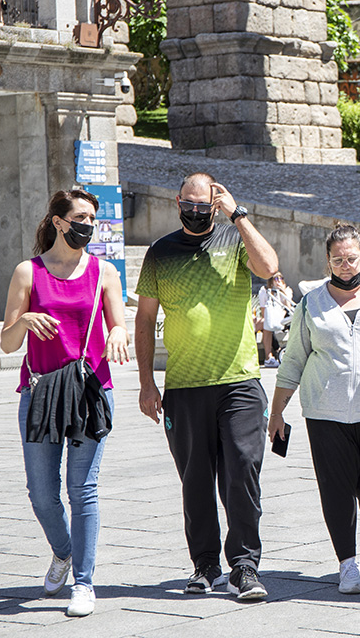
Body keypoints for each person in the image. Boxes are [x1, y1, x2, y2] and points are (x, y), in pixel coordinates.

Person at [134, 173, 279, 601]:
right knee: (194, 480)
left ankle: (245, 566)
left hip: (238, 382)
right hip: (184, 385)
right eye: (189, 203)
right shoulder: (160, 252)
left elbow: (270, 267)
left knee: (242, 472)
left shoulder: (234, 239)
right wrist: (146, 383)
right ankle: (204, 564)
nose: (196, 211)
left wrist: (239, 215)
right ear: (178, 201)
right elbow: (143, 320)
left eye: (205, 205)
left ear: (215, 205)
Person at [0, 189, 129, 618]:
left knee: (82, 488)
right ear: (59, 222)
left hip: (91, 392)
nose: (88, 225)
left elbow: (120, 325)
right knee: (41, 493)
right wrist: (25, 320)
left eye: (92, 218)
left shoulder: (105, 272)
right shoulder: (28, 272)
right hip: (40, 393)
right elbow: (5, 343)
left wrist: (116, 335)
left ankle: (85, 583)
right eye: (80, 218)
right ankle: (63, 551)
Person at [269, 225, 360, 595]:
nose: (346, 266)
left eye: (352, 258)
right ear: (328, 261)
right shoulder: (312, 303)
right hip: (325, 414)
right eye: (338, 259)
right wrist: (276, 412)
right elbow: (294, 360)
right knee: (335, 490)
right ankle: (347, 564)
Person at [258, 273, 294, 368]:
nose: (278, 281)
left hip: (283, 317)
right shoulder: (265, 291)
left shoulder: (287, 290)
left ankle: (276, 351)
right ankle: (268, 357)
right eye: (276, 278)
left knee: (266, 324)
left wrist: (283, 292)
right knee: (266, 324)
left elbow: (289, 307)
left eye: (281, 278)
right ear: (271, 280)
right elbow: (263, 311)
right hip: (270, 317)